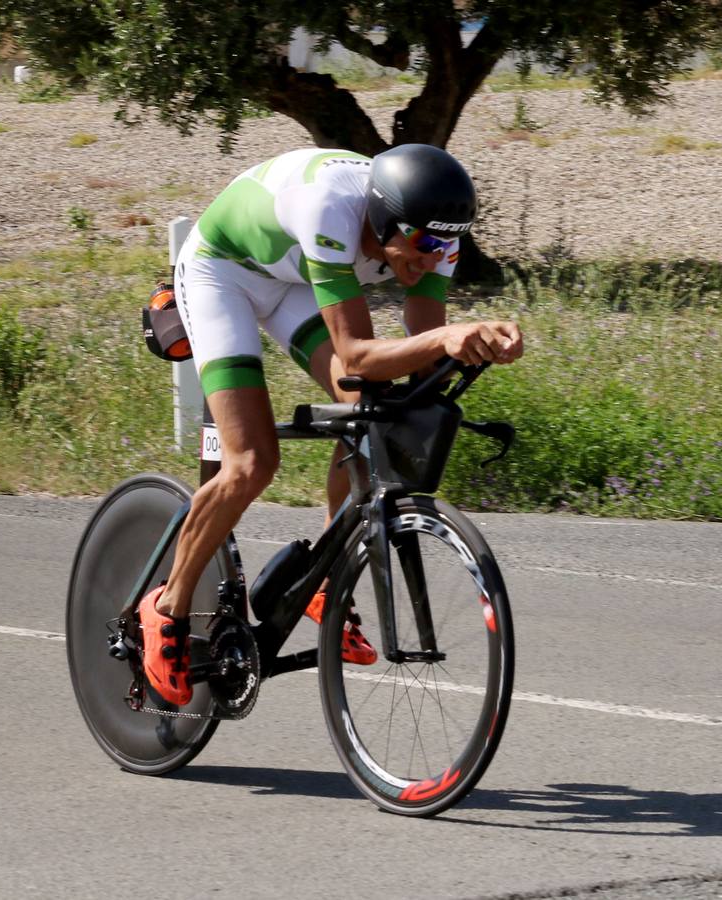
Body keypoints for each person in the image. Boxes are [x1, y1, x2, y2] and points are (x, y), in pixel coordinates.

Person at [139, 144, 524, 704]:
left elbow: (420, 360)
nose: (433, 257)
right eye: (421, 243)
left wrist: (476, 345)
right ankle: (167, 607)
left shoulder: (434, 236)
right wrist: (445, 339)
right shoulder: (330, 209)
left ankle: (319, 583)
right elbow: (359, 353)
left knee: (377, 414)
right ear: (387, 221)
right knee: (250, 462)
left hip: (292, 281)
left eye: (445, 245)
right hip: (222, 274)